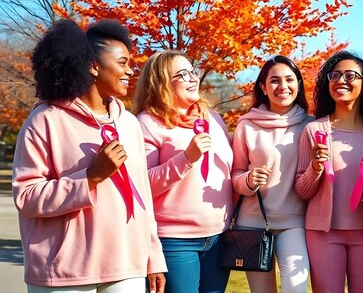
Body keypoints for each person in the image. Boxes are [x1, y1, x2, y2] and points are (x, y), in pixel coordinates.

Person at [12, 19, 167, 293]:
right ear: (93, 67)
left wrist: (153, 255)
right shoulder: (45, 120)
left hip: (126, 266)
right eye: (122, 62)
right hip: (64, 272)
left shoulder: (129, 123)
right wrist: (91, 177)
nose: (130, 70)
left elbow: (143, 197)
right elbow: (26, 197)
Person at [132, 50, 233, 293]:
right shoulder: (147, 123)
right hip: (174, 241)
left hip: (219, 236)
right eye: (182, 74)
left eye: (193, 72)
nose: (192, 78)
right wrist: (186, 158)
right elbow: (143, 184)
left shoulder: (214, 119)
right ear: (161, 82)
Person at [294, 51, 363, 293]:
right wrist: (315, 167)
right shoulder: (313, 129)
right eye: (334, 75)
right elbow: (302, 191)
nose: (340, 80)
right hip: (323, 234)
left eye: (350, 75)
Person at [231, 55, 313, 293]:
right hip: (253, 223)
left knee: (296, 289)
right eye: (274, 80)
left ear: (298, 83)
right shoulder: (246, 125)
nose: (283, 86)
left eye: (289, 79)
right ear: (263, 87)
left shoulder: (311, 124)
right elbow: (235, 174)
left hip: (294, 221)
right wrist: (247, 179)